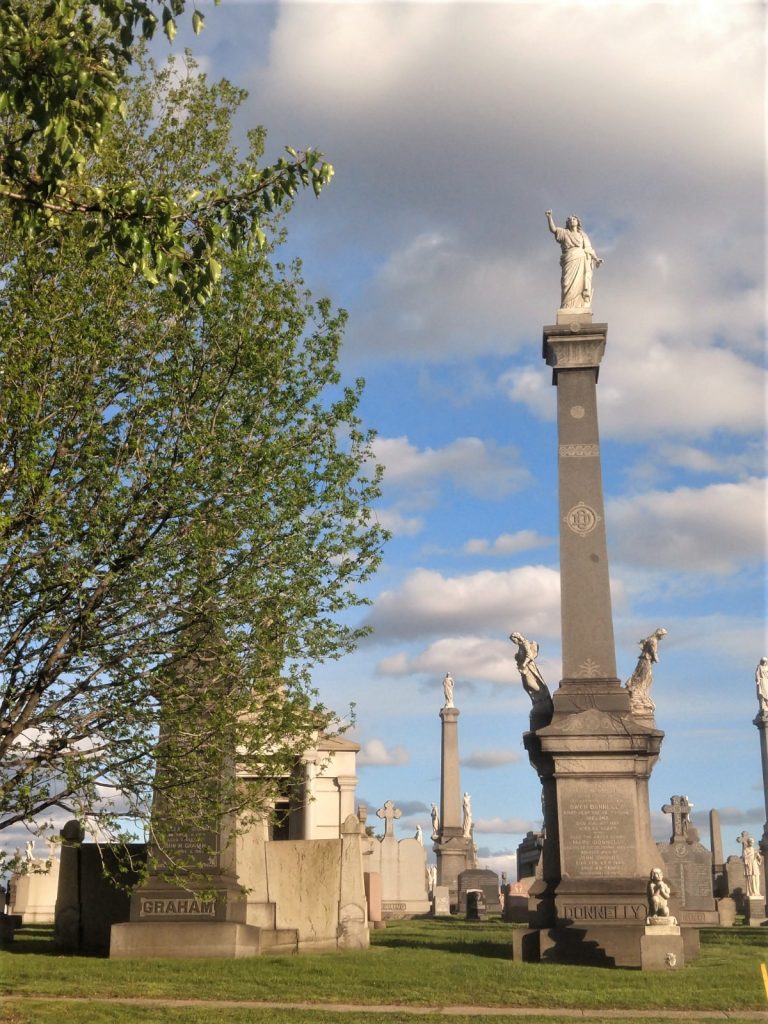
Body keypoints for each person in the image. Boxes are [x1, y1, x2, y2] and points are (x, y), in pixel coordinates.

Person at [545, 209, 603, 309]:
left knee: (580, 283)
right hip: (569, 259)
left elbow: (588, 249)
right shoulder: (564, 233)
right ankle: (566, 305)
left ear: (577, 222)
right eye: (570, 220)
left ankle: (580, 304)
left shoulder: (583, 235)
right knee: (566, 283)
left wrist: (596, 258)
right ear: (567, 223)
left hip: (581, 259)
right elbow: (553, 229)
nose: (572, 221)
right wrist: (549, 217)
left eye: (574, 219)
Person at [626, 627, 667, 715]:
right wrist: (656, 659)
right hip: (646, 659)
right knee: (646, 675)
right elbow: (653, 651)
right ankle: (638, 692)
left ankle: (640, 692)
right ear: (660, 634)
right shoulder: (653, 640)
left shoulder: (652, 639)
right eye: (663, 635)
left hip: (645, 659)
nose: (663, 637)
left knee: (645, 675)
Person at [509, 632, 551, 708]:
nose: (513, 642)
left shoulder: (525, 643)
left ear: (517, 638)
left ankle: (542, 697)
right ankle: (536, 700)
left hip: (529, 667)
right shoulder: (520, 645)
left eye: (513, 640)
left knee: (531, 684)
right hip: (523, 669)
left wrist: (524, 664)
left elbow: (530, 655)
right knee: (526, 686)